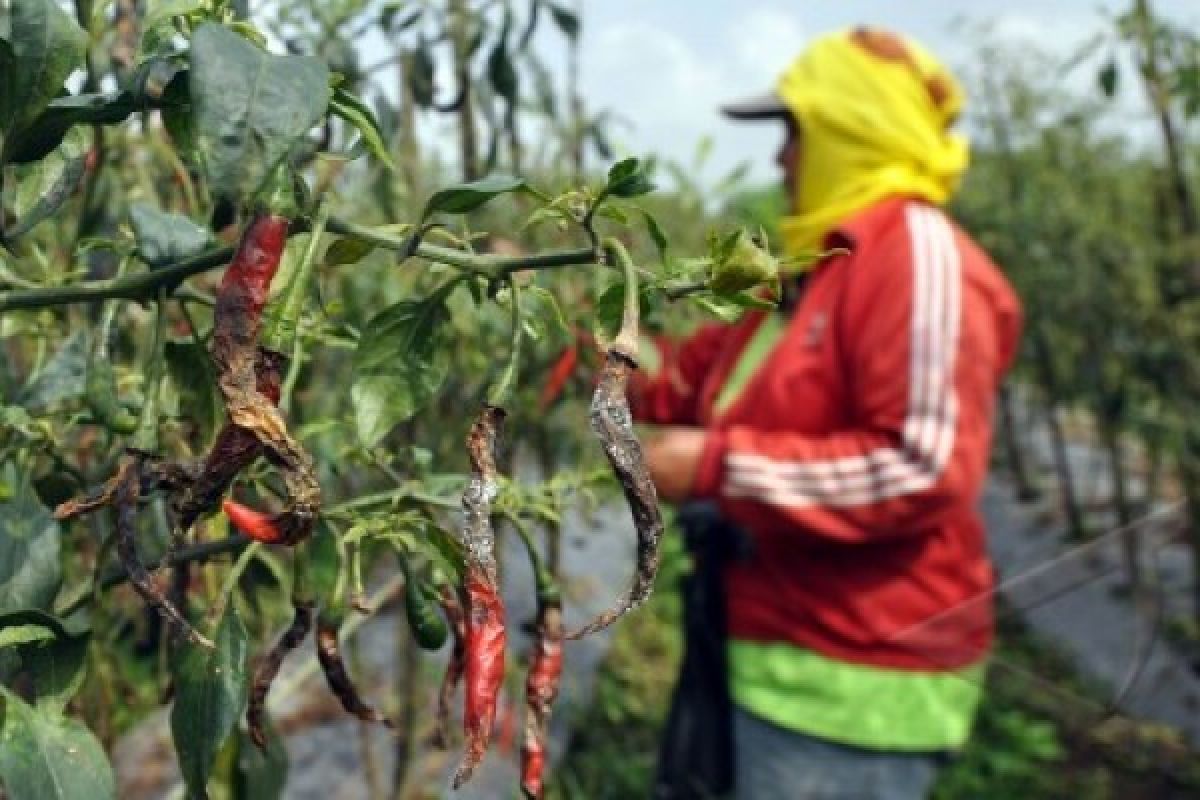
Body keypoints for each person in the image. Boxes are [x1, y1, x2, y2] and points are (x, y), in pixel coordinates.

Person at [633, 27, 1023, 800]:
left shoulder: (914, 256)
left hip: (856, 683)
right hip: (763, 646)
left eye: (794, 132)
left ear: (850, 129)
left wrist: (710, 467)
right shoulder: (808, 275)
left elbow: (922, 466)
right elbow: (681, 379)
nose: (780, 160)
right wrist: (562, 322)